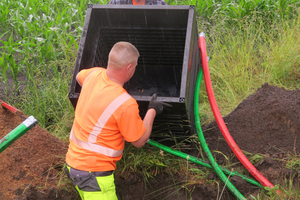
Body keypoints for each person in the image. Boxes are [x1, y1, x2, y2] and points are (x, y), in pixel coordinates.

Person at [65, 41, 172, 200]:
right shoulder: (124, 103)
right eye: (135, 66)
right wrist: (152, 109)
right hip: (94, 176)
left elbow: (79, 77)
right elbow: (139, 141)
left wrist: (96, 96)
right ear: (129, 68)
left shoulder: (92, 75)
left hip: (73, 164)